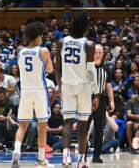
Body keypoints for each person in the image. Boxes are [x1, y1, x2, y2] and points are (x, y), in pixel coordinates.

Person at [56, 13, 99, 167]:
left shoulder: (62, 42)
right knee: (82, 125)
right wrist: (96, 93)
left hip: (67, 84)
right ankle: (81, 160)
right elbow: (91, 71)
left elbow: (57, 69)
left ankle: (66, 157)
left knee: (67, 123)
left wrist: (60, 87)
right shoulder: (88, 44)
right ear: (86, 27)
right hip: (84, 86)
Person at [11, 21, 54, 168]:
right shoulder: (43, 51)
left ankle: (16, 150)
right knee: (42, 126)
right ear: (38, 36)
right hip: (39, 91)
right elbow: (50, 69)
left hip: (25, 91)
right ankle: (41, 160)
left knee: (22, 126)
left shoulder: (20, 52)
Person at [85, 44, 115, 163]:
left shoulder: (106, 67)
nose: (97, 55)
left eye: (100, 53)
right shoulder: (86, 66)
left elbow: (108, 85)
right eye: (95, 52)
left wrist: (111, 100)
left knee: (99, 128)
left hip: (101, 99)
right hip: (87, 98)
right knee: (84, 128)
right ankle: (83, 154)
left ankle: (96, 155)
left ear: (103, 54)